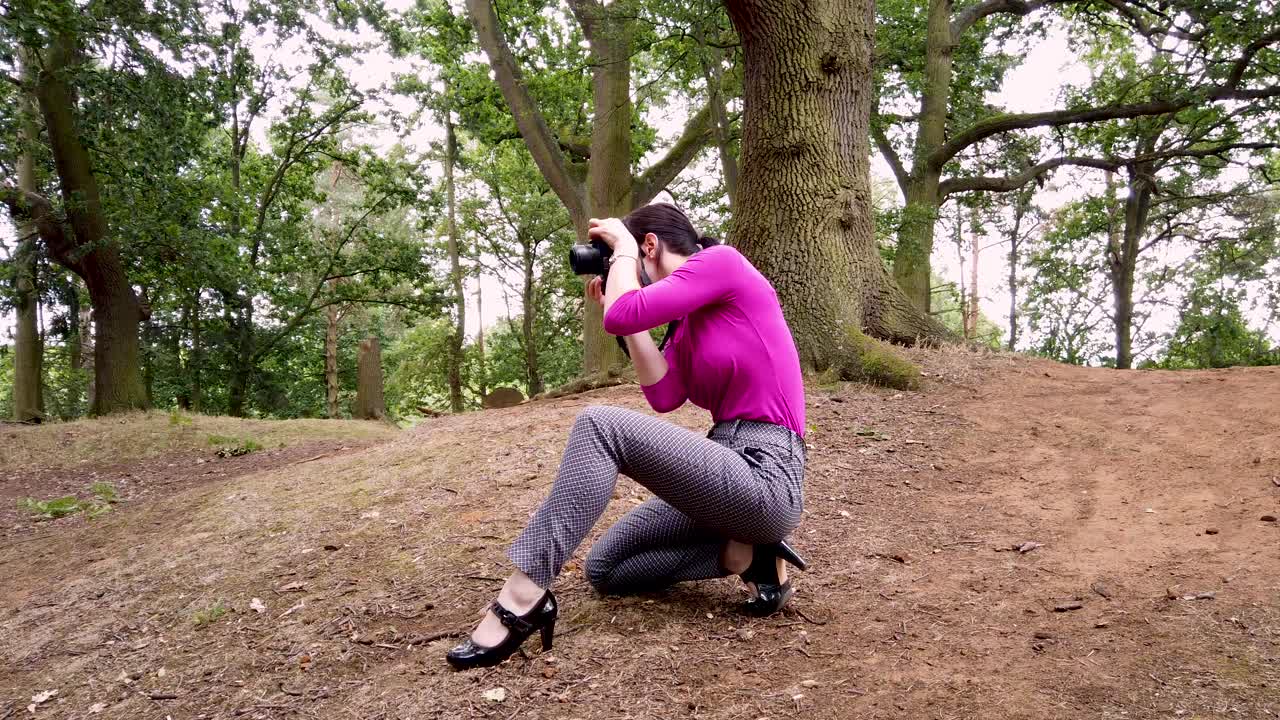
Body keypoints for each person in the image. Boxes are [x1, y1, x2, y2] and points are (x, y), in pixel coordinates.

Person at [446, 203, 809, 670]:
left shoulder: (723, 263)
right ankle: (746, 555)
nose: (615, 264)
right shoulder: (686, 325)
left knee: (599, 424)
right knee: (606, 568)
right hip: (725, 469)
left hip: (766, 470)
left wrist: (620, 252)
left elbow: (628, 310)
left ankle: (521, 597)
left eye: (626, 253)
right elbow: (663, 394)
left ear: (649, 246)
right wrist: (623, 310)